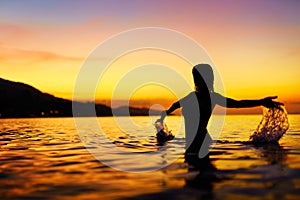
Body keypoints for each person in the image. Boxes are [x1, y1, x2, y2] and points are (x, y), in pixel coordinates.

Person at [156, 64, 283, 163]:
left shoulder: (207, 97)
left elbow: (237, 103)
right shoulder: (194, 97)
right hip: (199, 143)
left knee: (198, 174)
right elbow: (175, 105)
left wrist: (261, 102)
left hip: (199, 144)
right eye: (198, 78)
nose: (199, 81)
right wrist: (165, 114)